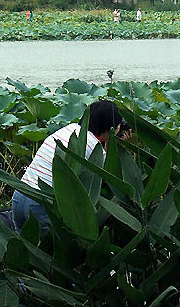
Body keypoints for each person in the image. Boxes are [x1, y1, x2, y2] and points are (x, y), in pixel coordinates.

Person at [12, 100, 131, 235]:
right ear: (109, 127)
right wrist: (116, 147)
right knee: (51, 253)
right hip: (42, 204)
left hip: (20, 195)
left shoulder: (69, 129)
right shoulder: (94, 148)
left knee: (25, 248)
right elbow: (110, 179)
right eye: (117, 126)